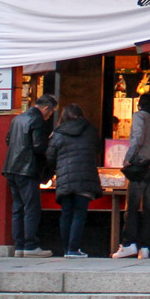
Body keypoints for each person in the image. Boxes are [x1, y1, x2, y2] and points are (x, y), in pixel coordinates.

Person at [113, 93, 150, 259]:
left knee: (133, 206)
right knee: (149, 209)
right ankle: (145, 247)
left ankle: (128, 243)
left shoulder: (139, 117)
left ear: (139, 104)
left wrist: (128, 159)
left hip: (141, 167)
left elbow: (137, 138)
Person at [2, 93, 56, 255]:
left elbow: (7, 139)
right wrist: (49, 144)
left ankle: (19, 245)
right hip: (27, 169)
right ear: (46, 108)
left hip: (11, 167)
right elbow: (39, 146)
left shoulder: (17, 119)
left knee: (17, 207)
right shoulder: (37, 120)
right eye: (51, 111)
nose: (50, 115)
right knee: (31, 207)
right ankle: (30, 245)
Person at [49, 104, 105, 258]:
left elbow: (50, 156)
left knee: (66, 213)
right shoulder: (90, 130)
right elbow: (98, 149)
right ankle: (74, 248)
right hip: (85, 177)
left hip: (65, 178)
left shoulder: (58, 133)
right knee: (79, 214)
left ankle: (66, 248)